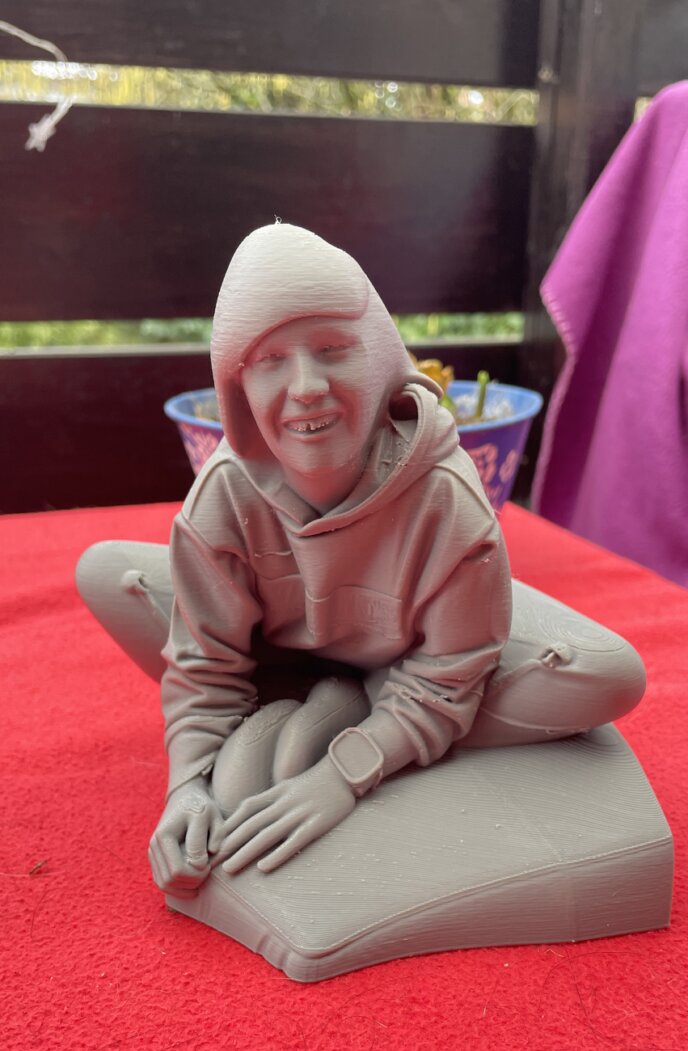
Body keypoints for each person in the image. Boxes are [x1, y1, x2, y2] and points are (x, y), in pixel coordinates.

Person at [76, 224, 646, 900]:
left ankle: (346, 710)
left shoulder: (445, 495)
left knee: (606, 675)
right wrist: (187, 786)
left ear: (378, 357)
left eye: (332, 350)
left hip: (421, 663)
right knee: (107, 574)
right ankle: (323, 700)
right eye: (269, 360)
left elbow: (449, 674)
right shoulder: (224, 492)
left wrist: (341, 772)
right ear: (236, 385)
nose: (306, 386)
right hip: (284, 655)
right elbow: (205, 664)